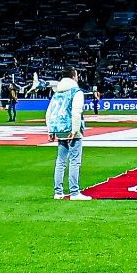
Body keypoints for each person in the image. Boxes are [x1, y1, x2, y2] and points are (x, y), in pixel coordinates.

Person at [47, 68, 90, 200]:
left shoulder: (56, 93)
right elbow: (76, 112)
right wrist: (75, 130)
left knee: (60, 161)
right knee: (74, 161)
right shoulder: (76, 92)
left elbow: (50, 112)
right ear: (73, 77)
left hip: (59, 129)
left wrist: (50, 130)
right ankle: (74, 192)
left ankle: (58, 192)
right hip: (71, 129)